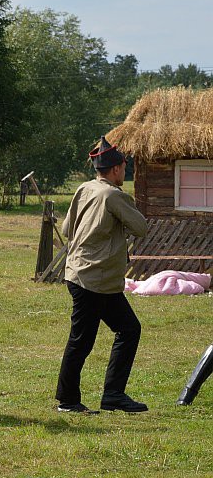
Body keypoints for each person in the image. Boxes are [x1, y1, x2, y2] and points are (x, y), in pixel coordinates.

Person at [55, 136, 149, 414]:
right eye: (123, 167)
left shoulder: (84, 188)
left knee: (129, 329)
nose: (125, 171)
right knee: (81, 340)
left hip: (91, 276)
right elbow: (141, 227)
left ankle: (113, 396)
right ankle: (68, 401)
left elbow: (67, 228)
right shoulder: (114, 195)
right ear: (117, 168)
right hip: (93, 279)